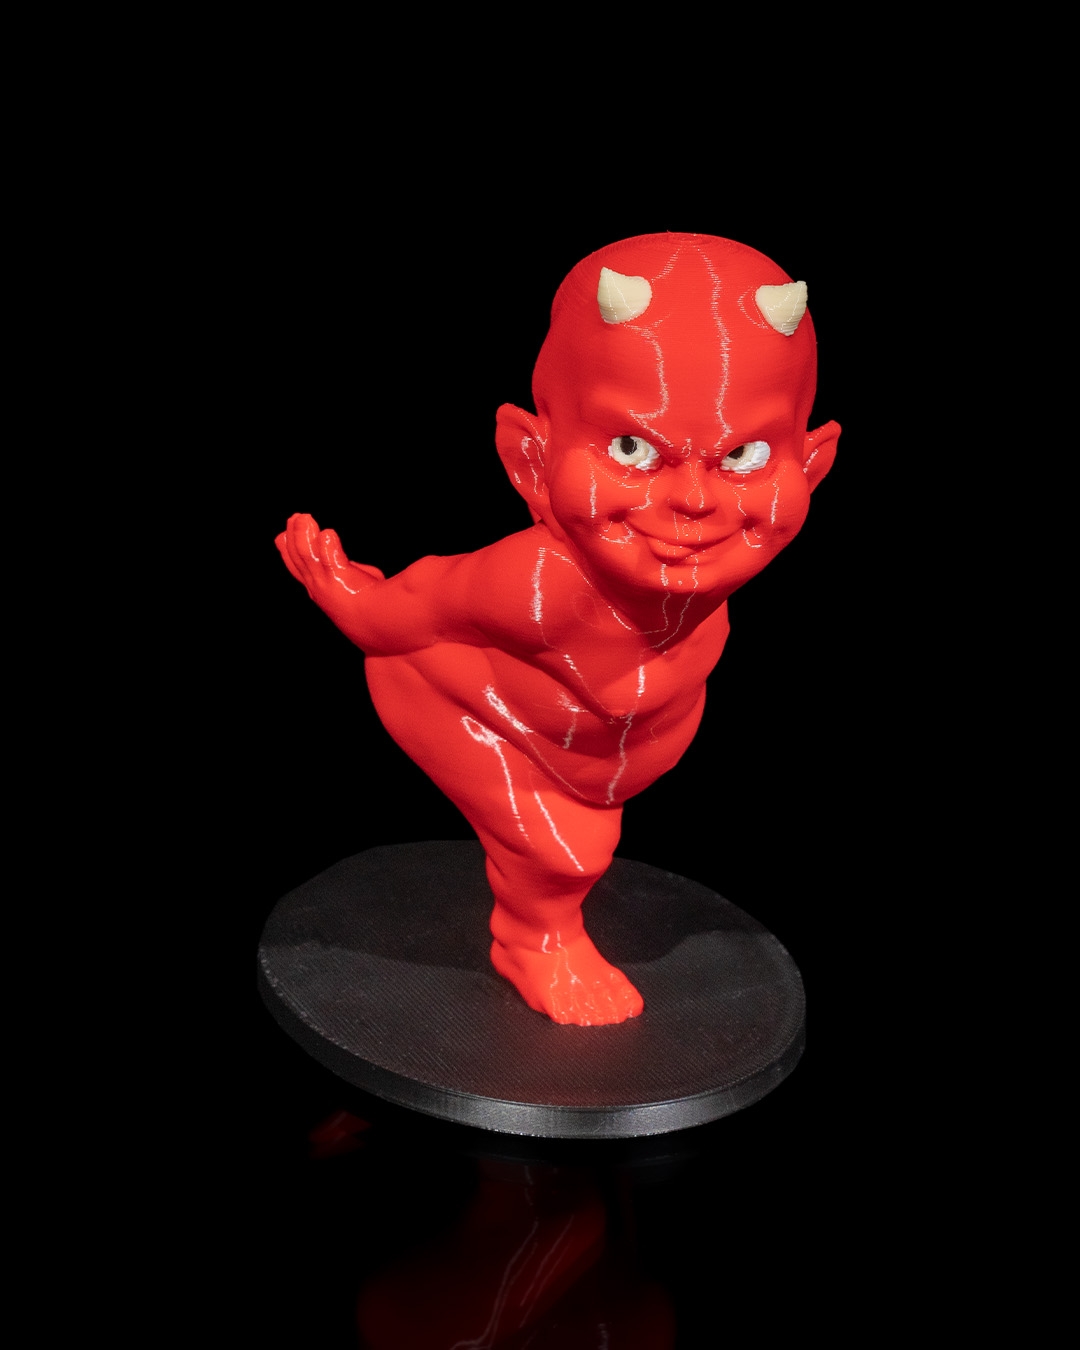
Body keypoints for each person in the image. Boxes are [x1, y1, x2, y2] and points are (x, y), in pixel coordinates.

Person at [277, 233, 839, 1026]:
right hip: (478, 713)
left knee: (577, 841)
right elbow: (429, 600)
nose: (694, 500)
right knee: (562, 852)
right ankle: (533, 940)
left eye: (743, 457)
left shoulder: (700, 571)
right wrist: (346, 596)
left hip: (596, 760)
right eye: (632, 449)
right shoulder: (540, 586)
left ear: (812, 466)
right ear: (531, 464)